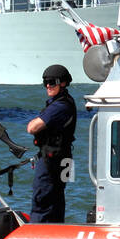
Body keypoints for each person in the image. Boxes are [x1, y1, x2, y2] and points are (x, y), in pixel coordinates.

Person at [26, 64, 77, 223]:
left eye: (52, 82)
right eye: (45, 82)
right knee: (57, 199)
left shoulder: (59, 106)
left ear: (62, 83)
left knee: (42, 199)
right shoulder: (66, 102)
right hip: (64, 158)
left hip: (52, 161)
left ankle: (37, 237)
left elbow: (32, 128)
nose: (48, 86)